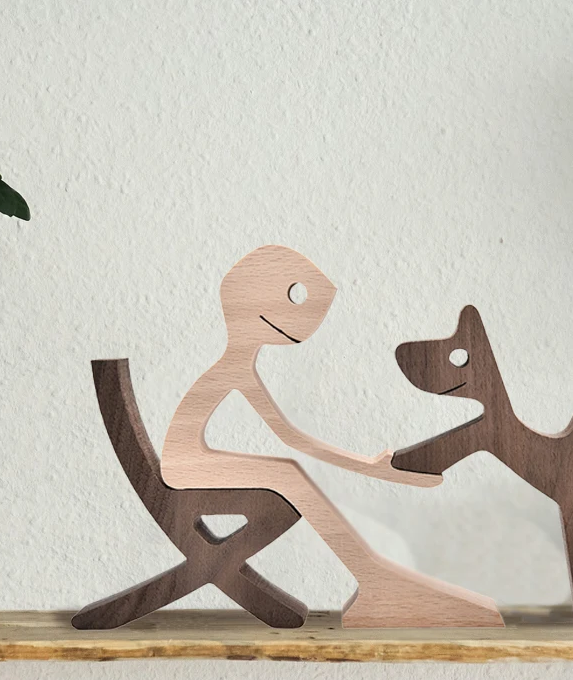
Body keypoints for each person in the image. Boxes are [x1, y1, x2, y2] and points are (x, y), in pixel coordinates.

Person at [161, 244, 502, 627]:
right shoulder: (233, 369)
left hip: (189, 459)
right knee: (287, 473)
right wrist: (368, 467)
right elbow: (290, 437)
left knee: (288, 472)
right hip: (183, 464)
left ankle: (373, 576)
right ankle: (372, 577)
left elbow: (291, 437)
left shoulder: (237, 368)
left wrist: (369, 467)